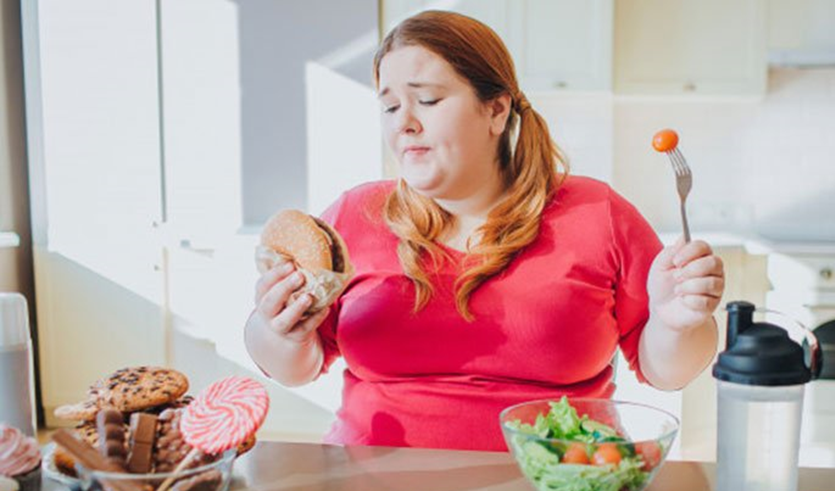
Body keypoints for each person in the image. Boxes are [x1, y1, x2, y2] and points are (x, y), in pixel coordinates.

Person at [244, 10, 725, 451]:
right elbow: (295, 369)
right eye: (389, 107)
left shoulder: (598, 213)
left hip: (560, 485)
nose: (404, 124)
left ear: (496, 110)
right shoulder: (355, 215)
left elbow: (666, 372)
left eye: (427, 100)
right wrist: (277, 330)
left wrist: (678, 323)